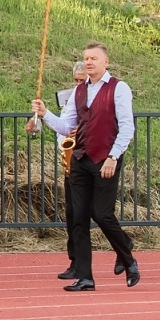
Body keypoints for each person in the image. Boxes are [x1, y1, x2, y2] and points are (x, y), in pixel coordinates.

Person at [32, 41, 138, 292]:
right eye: (86, 58)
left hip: (105, 158)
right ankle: (85, 277)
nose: (89, 62)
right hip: (80, 159)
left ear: (105, 62)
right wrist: (45, 113)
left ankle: (129, 259)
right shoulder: (78, 92)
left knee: (102, 214)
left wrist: (113, 157)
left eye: (94, 58)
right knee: (78, 217)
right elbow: (66, 127)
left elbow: (127, 127)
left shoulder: (119, 88)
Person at [53, 58, 87, 281]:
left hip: (90, 160)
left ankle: (123, 245)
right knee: (72, 214)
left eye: (81, 81)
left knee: (99, 213)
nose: (77, 85)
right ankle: (75, 262)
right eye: (75, 80)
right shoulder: (70, 100)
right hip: (71, 161)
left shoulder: (97, 97)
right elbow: (62, 127)